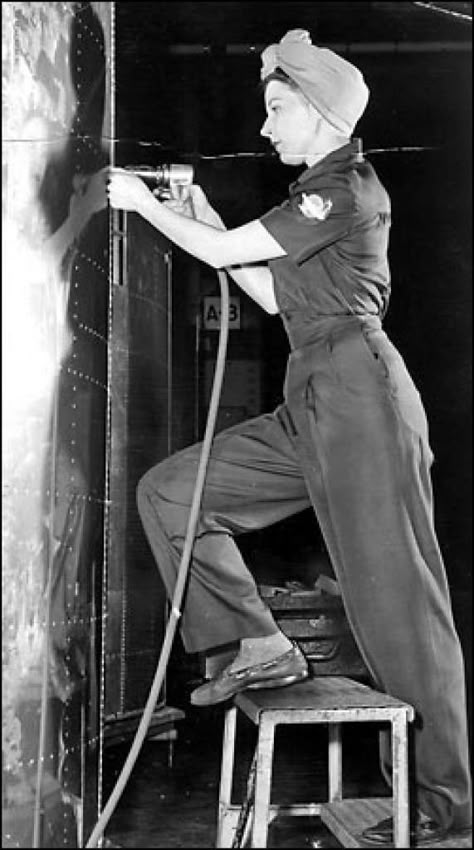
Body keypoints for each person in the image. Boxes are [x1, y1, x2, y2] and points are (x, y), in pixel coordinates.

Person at [107, 29, 471, 845]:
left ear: (318, 112)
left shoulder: (344, 187)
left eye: (277, 109)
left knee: (399, 616)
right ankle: (258, 642)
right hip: (310, 393)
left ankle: (449, 811)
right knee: (172, 493)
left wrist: (148, 209)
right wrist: (193, 215)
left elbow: (236, 251)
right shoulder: (311, 200)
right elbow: (270, 295)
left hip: (361, 402)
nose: (266, 126)